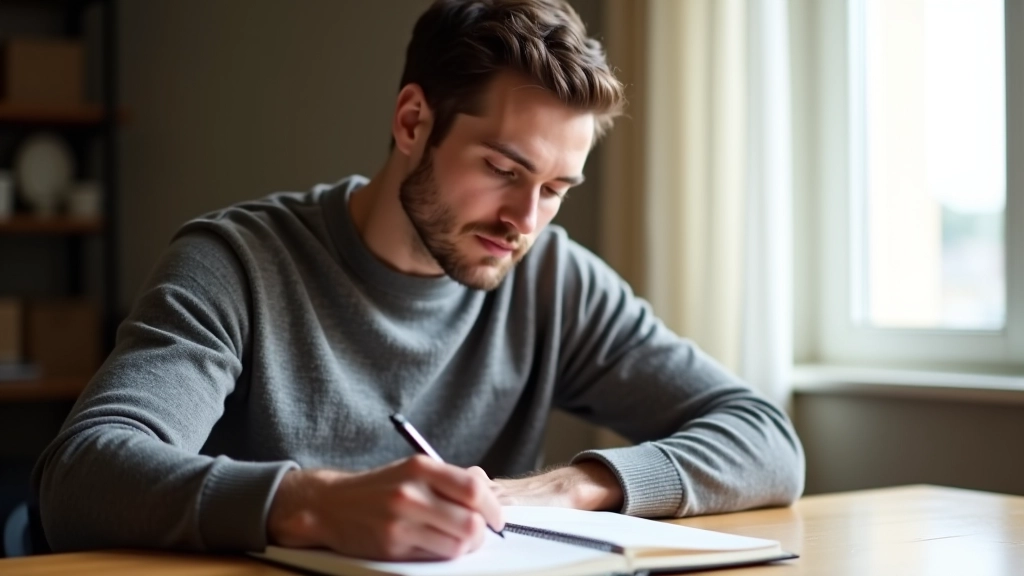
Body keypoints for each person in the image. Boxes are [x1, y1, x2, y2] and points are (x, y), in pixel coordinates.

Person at [32, 0, 804, 562]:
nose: (524, 219)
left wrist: (573, 487)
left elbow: (765, 440)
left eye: (555, 189)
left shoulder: (553, 281)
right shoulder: (237, 264)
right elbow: (82, 477)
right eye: (503, 169)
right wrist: (313, 504)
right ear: (411, 123)